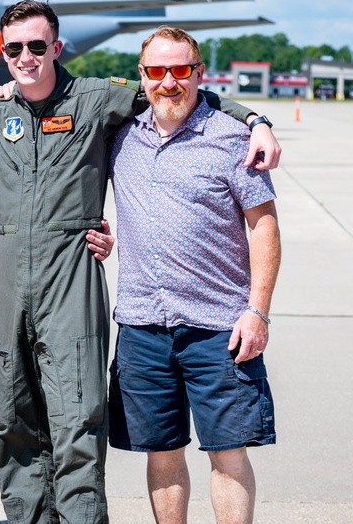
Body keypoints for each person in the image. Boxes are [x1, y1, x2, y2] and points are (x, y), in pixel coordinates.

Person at [0, 0, 278, 523]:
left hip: (71, 277)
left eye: (36, 45)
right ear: (4, 54)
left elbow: (176, 95)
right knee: (16, 417)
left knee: (77, 416)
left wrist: (255, 118)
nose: (26, 56)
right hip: (10, 281)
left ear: (56, 47)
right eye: (15, 48)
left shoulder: (97, 100)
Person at [107, 26, 281, 524]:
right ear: (141, 76)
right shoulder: (121, 136)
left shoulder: (232, 139)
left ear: (199, 74)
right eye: (157, 71)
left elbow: (264, 229)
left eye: (181, 70)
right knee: (161, 454)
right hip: (142, 325)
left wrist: (257, 311)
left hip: (219, 328)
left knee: (228, 455)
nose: (169, 82)